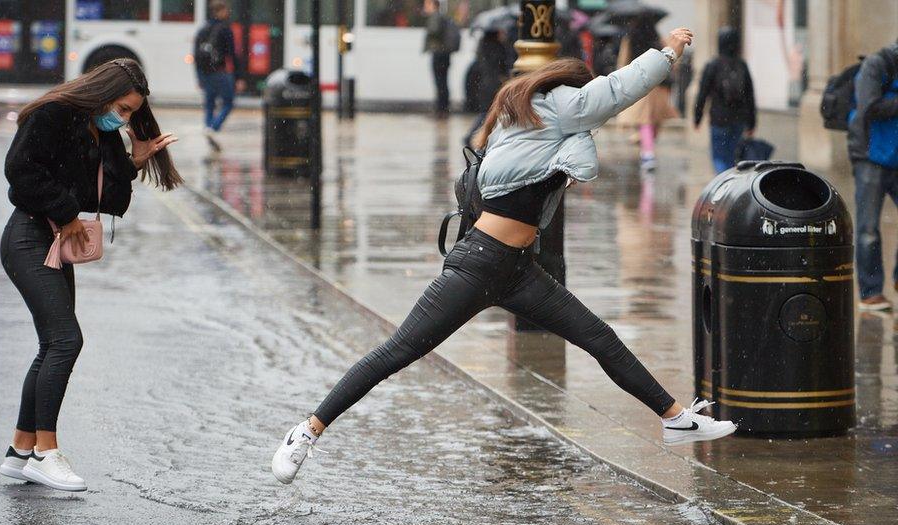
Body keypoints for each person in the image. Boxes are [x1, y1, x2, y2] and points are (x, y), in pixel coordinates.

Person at [272, 27, 737, 485]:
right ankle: (307, 431)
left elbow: (580, 160)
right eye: (583, 100)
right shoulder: (554, 107)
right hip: (479, 261)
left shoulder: (536, 128)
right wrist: (668, 53)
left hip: (517, 270)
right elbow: (615, 91)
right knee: (400, 350)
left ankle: (675, 418)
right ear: (569, 91)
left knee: (598, 337)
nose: (588, 113)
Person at [0, 58, 181, 491]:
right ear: (101, 92)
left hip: (55, 243)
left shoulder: (103, 133)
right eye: (121, 107)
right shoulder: (53, 114)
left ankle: (20, 450)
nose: (124, 117)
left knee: (52, 343)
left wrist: (134, 162)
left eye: (131, 112)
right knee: (66, 340)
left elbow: (111, 202)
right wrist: (64, 214)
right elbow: (19, 172)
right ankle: (46, 453)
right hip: (28, 237)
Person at [847, 40, 898, 311]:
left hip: (896, 154)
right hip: (870, 156)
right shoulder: (877, 64)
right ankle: (871, 292)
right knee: (868, 228)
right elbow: (869, 106)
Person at [616, 19, 679, 171]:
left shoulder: (630, 39)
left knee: (645, 120)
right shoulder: (658, 39)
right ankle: (647, 148)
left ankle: (647, 152)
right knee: (654, 120)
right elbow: (671, 59)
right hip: (658, 85)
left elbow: (623, 61)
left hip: (640, 84)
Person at [693, 27, 757, 174]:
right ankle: (730, 183)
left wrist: (697, 117)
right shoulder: (742, 65)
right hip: (738, 119)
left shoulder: (713, 65)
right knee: (733, 157)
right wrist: (752, 122)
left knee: (719, 157)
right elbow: (750, 95)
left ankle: (723, 183)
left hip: (719, 118)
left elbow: (702, 94)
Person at [195, 0, 246, 150]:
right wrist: (239, 77)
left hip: (206, 73)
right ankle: (213, 128)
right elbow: (233, 55)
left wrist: (199, 77)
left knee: (210, 102)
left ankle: (208, 127)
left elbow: (196, 57)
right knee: (228, 102)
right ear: (221, 11)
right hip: (220, 72)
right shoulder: (225, 29)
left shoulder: (203, 29)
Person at [464, 28, 509, 145]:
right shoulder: (497, 47)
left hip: (483, 84)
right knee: (487, 113)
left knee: (486, 112)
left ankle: (473, 135)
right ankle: (471, 136)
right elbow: (502, 66)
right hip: (493, 85)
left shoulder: (483, 46)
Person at [423, 0, 459, 118]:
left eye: (427, 4)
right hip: (445, 54)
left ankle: (441, 110)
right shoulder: (443, 17)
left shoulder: (435, 17)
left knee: (440, 82)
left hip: (439, 54)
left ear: (434, 5)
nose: (425, 7)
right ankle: (444, 108)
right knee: (443, 82)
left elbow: (434, 31)